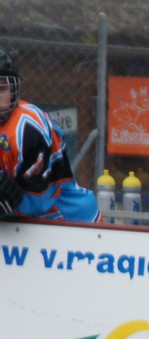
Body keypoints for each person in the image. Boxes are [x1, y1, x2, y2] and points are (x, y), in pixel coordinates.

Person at [0, 47, 99, 223]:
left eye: (1, 88)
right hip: (20, 226)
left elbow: (38, 203)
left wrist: (9, 198)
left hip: (68, 220)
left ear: (13, 90)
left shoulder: (27, 128)